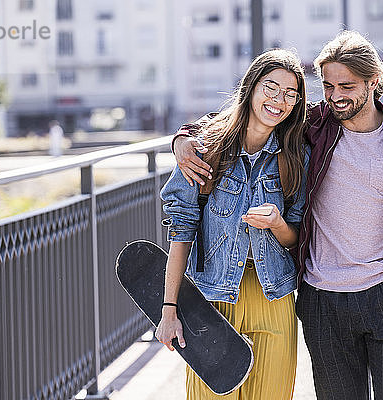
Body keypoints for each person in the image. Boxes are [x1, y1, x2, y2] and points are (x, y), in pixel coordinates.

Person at [171, 31, 383, 400]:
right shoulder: (313, 126)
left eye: (346, 85)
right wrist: (183, 138)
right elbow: (244, 121)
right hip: (324, 299)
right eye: (327, 85)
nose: (336, 95)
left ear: (374, 82)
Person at [156, 49, 310, 400]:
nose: (279, 100)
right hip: (212, 299)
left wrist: (276, 224)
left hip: (274, 296)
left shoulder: (296, 157)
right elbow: (181, 232)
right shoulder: (205, 148)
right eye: (271, 87)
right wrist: (169, 310)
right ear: (251, 88)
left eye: (290, 94)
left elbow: (295, 238)